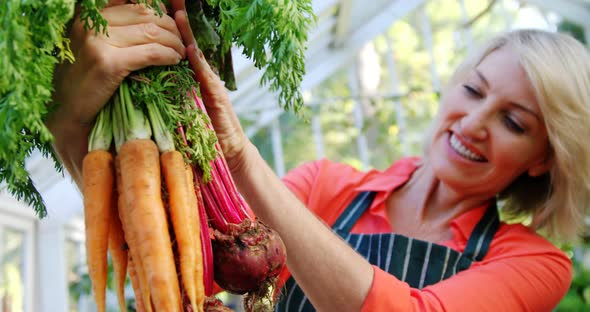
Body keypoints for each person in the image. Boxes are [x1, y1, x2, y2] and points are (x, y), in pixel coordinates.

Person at [48, 1, 590, 311]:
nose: (473, 123)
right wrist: (72, 128)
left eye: (514, 122)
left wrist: (241, 157)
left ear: (544, 158)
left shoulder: (535, 264)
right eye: (473, 92)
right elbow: (183, 266)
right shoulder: (327, 186)